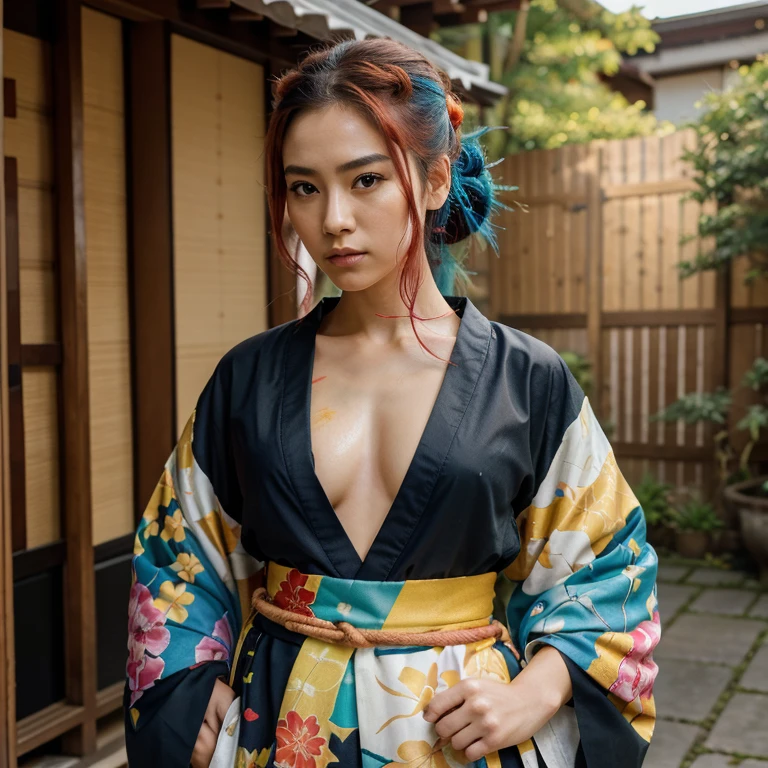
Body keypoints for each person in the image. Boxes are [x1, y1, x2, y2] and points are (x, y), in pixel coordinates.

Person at [124, 38, 660, 768]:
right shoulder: (246, 380)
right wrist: (186, 685)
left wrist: (537, 689)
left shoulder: (526, 380)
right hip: (277, 724)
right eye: (304, 187)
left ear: (435, 178)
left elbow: (610, 565)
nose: (333, 219)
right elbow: (175, 557)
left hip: (457, 735)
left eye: (366, 180)